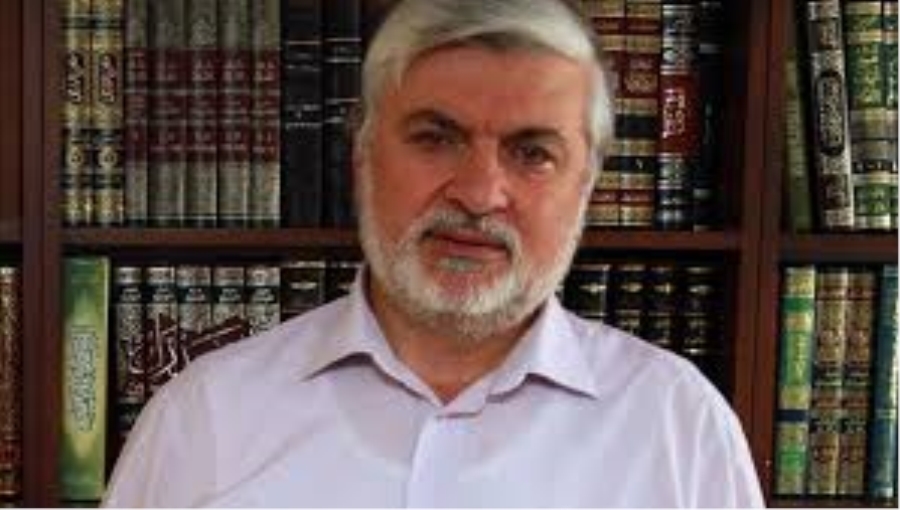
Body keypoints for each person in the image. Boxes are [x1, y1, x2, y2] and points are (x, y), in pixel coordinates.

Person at [103, 0, 765, 506]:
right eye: (436, 138)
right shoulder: (206, 419)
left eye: (532, 152)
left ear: (586, 184)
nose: (479, 194)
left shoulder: (677, 427)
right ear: (363, 154)